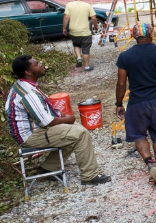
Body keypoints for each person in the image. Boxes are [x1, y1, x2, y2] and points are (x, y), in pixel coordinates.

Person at [5, 55, 111, 185]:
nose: (41, 65)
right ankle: (89, 176)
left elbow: (43, 112)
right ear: (28, 72)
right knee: (79, 133)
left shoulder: (25, 85)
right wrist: (67, 119)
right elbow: (46, 122)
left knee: (75, 128)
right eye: (37, 64)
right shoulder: (28, 93)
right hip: (30, 136)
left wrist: (64, 117)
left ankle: (50, 166)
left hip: (34, 130)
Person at [115, 23, 156, 185]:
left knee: (138, 134)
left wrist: (118, 103)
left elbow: (121, 84)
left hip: (137, 103)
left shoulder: (125, 56)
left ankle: (150, 164)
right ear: (151, 34)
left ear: (133, 36)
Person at [62, 0, 96, 72]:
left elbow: (66, 17)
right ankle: (87, 66)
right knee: (85, 49)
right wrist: (95, 27)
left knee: (76, 44)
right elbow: (94, 17)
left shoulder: (69, 5)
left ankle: (79, 57)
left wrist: (64, 28)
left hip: (73, 31)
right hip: (85, 32)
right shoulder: (87, 5)